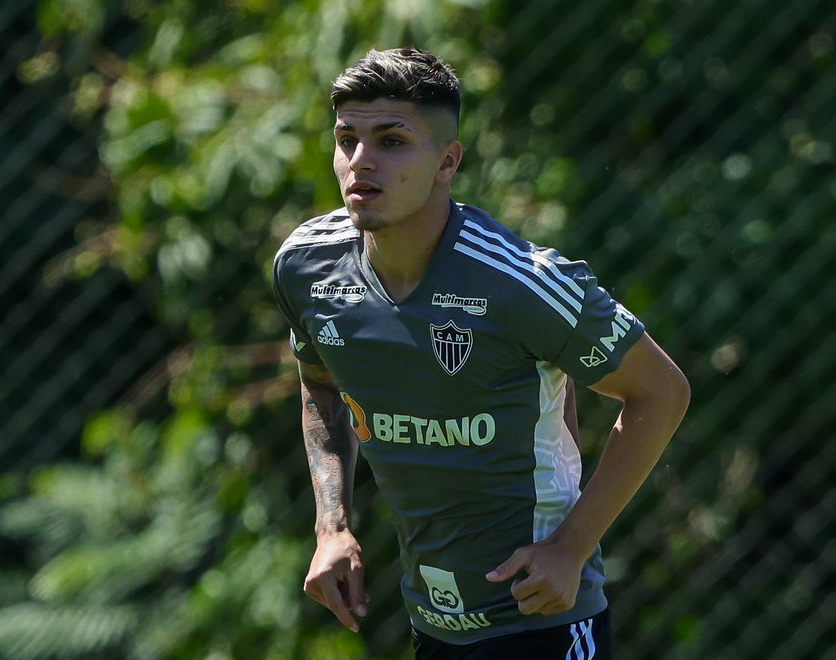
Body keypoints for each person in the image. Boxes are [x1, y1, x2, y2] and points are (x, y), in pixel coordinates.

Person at [271, 47, 690, 659]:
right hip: (433, 625)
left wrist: (570, 549)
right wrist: (332, 527)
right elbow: (321, 382)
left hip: (541, 621)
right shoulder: (306, 267)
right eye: (347, 139)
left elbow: (661, 391)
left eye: (392, 141)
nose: (361, 162)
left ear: (447, 162)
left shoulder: (520, 282)